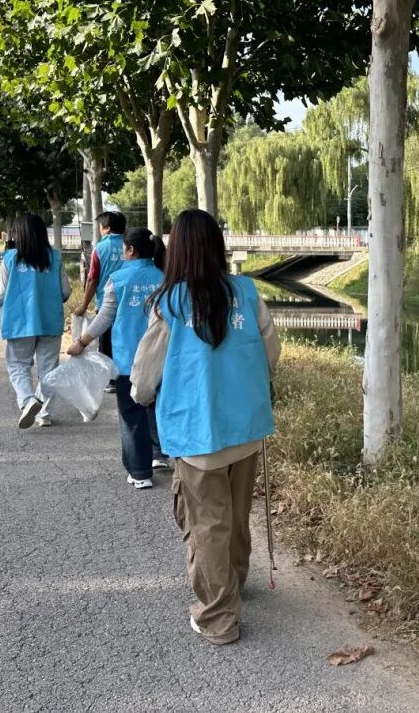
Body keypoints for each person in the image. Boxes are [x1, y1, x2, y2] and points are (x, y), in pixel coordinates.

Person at [131, 209, 280, 646]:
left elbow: (144, 376)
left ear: (176, 250)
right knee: (235, 515)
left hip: (197, 435)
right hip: (246, 429)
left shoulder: (170, 303)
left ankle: (218, 617)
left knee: (207, 525)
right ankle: (234, 582)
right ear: (217, 246)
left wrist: (141, 396)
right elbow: (271, 354)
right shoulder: (247, 293)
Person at [67, 229, 168, 489]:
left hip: (128, 360)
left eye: (124, 249)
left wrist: (81, 342)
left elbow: (105, 318)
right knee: (156, 409)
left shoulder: (118, 279)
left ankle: (140, 473)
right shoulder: (165, 278)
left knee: (132, 415)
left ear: (131, 250)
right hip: (161, 359)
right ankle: (160, 454)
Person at [0, 212, 72, 429]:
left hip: (19, 322)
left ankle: (27, 400)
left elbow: (0, 296)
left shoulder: (10, 259)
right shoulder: (55, 257)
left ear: (19, 234)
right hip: (50, 321)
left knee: (18, 366)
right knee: (49, 370)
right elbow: (65, 292)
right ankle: (44, 414)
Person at [73, 211, 126, 390]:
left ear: (107, 228)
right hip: (129, 301)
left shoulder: (100, 248)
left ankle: (110, 380)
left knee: (107, 341)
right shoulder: (130, 245)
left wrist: (84, 305)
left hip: (106, 302)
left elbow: (92, 279)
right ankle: (126, 376)